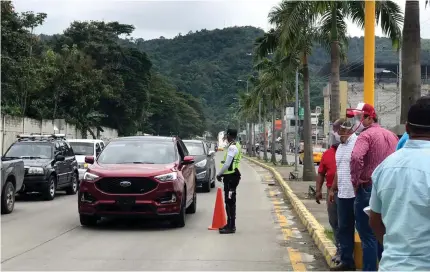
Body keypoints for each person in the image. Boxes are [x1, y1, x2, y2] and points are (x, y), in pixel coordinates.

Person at [369, 96, 430, 271]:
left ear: (407, 128)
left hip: (391, 265)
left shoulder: (384, 167)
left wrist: (395, 250)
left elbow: (374, 220)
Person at [347, 102, 398, 271]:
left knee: (368, 237)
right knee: (384, 235)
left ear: (369, 118)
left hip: (368, 188)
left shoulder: (366, 136)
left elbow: (355, 158)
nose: (357, 122)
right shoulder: (391, 135)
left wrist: (356, 180)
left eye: (360, 117)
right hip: (390, 191)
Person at [329, 119, 358, 271]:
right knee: (344, 227)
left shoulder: (358, 143)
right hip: (343, 193)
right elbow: (339, 170)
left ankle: (370, 264)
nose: (336, 135)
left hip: (356, 192)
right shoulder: (340, 147)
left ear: (346, 130)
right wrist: (333, 189)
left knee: (363, 228)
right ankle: (347, 261)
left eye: (338, 131)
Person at [315, 119, 342, 264]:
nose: (337, 135)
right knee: (334, 222)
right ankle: (339, 249)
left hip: (348, 193)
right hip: (332, 193)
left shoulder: (351, 150)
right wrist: (318, 190)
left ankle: (345, 251)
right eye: (336, 131)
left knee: (345, 224)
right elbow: (321, 173)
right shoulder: (327, 154)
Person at [216, 128, 242, 234]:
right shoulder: (237, 145)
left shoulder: (232, 147)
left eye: (227, 135)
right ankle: (230, 224)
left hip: (230, 177)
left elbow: (227, 164)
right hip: (232, 176)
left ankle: (231, 226)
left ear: (230, 135)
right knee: (230, 201)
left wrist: (219, 174)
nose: (226, 137)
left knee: (229, 201)